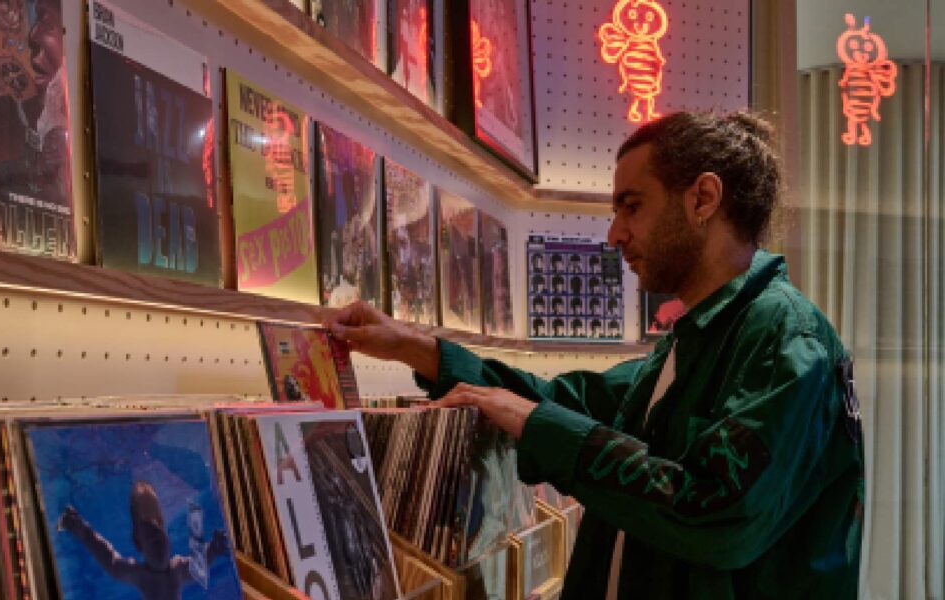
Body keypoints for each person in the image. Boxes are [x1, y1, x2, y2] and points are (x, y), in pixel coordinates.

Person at [327, 111, 863, 599]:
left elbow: (716, 513)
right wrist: (414, 348)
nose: (615, 234)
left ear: (702, 199)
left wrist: (540, 424)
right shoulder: (698, 337)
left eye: (632, 206)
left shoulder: (783, 340)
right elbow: (569, 402)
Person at [59, 481, 230, 600]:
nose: (156, 530)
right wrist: (80, 528)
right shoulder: (140, 575)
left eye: (158, 523)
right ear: (137, 542)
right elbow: (110, 560)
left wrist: (213, 548)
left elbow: (200, 564)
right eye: (147, 525)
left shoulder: (177, 569)